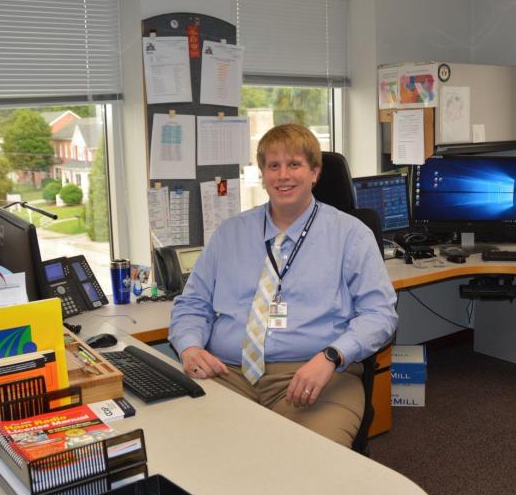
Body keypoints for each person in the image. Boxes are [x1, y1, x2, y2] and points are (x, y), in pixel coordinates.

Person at [169, 124, 397, 446]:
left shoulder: (350, 235)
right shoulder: (229, 233)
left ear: (315, 172)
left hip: (314, 377)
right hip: (227, 374)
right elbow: (192, 305)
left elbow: (380, 314)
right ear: (262, 174)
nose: (282, 175)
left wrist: (332, 356)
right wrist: (190, 347)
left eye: (294, 165)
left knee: (303, 466)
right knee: (192, 454)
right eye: (273, 166)